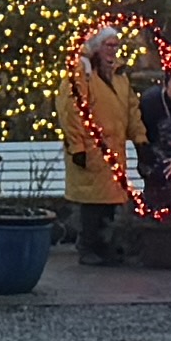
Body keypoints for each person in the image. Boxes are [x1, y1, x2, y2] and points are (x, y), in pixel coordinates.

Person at [59, 24, 137, 260]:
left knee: (109, 201)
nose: (113, 50)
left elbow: (131, 109)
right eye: (108, 45)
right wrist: (77, 146)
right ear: (96, 47)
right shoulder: (82, 73)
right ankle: (88, 246)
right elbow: (71, 109)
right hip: (92, 147)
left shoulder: (119, 75)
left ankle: (103, 246)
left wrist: (140, 138)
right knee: (92, 202)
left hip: (113, 150)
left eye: (116, 45)